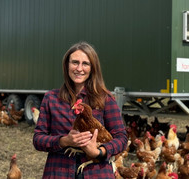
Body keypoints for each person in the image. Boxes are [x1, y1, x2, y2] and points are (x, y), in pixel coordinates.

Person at [33, 41, 128, 178]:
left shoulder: (105, 99)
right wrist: (64, 141)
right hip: (59, 171)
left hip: (96, 173)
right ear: (67, 65)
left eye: (85, 64)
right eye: (75, 62)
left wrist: (99, 152)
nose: (79, 68)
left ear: (92, 68)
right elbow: (38, 139)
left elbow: (121, 138)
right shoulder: (51, 98)